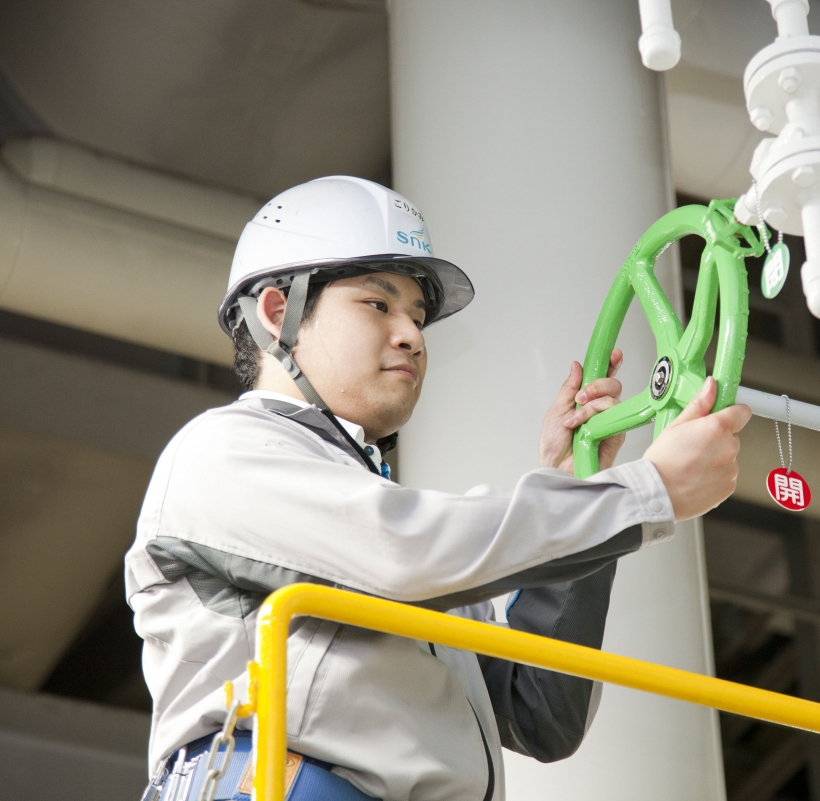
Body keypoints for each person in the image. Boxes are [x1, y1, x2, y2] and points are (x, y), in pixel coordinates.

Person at [126, 176, 751, 801]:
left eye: (418, 317)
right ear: (277, 311)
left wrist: (580, 483)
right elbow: (402, 553)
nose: (413, 336)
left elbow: (542, 714)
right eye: (378, 305)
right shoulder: (222, 453)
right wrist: (646, 490)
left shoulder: (404, 541)